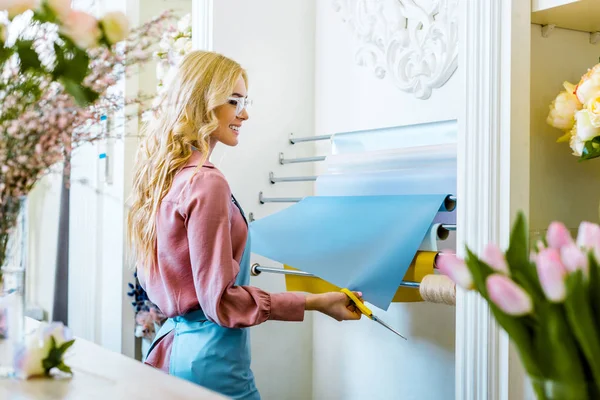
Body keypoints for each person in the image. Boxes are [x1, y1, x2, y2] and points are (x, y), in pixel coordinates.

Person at [126, 50, 363, 400]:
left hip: (174, 349)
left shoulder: (168, 178)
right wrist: (315, 303)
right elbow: (220, 302)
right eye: (234, 101)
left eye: (245, 101)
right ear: (201, 103)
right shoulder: (206, 183)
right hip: (213, 361)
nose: (245, 114)